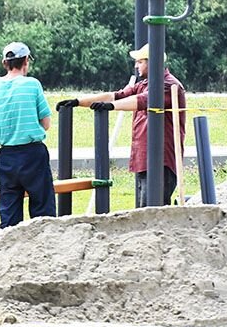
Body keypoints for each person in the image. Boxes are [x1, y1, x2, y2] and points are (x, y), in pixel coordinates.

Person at [56, 43, 186, 207]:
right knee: (142, 212)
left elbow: (143, 101)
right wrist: (78, 102)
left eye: (140, 61)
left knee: (152, 211)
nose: (136, 65)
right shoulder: (144, 84)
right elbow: (115, 96)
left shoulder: (168, 85)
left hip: (160, 162)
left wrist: (111, 107)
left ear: (152, 62)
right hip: (144, 160)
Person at [0, 42, 55, 228]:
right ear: (26, 61)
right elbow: (46, 124)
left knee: (9, 212)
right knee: (42, 210)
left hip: (6, 156)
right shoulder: (32, 84)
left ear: (4, 62)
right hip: (32, 153)